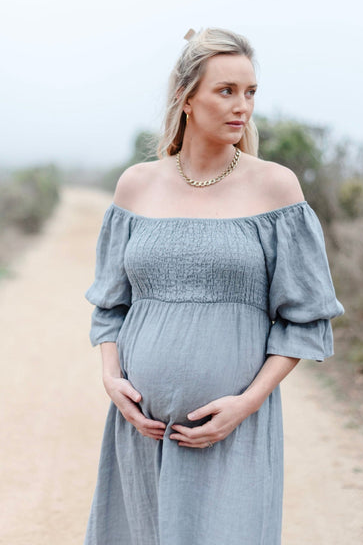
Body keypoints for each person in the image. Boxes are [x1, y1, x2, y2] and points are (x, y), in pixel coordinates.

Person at [84, 27, 345, 545]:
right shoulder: (136, 185)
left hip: (232, 435)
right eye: (226, 91)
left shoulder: (275, 187)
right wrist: (113, 381)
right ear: (185, 98)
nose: (242, 107)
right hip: (140, 434)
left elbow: (305, 318)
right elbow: (111, 306)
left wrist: (245, 405)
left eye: (250, 93)